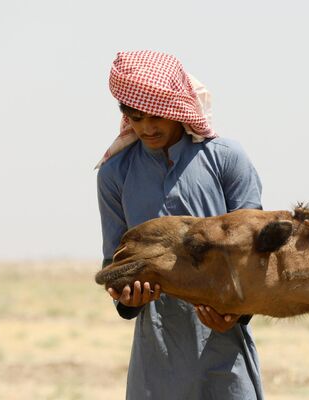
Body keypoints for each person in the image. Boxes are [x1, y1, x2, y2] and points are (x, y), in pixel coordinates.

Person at [96, 50, 264, 399]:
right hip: (157, 349)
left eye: (157, 115)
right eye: (135, 116)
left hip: (222, 344)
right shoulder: (116, 173)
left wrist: (236, 313)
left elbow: (256, 255)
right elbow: (114, 262)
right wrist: (128, 298)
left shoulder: (225, 159)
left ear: (176, 108)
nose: (146, 127)